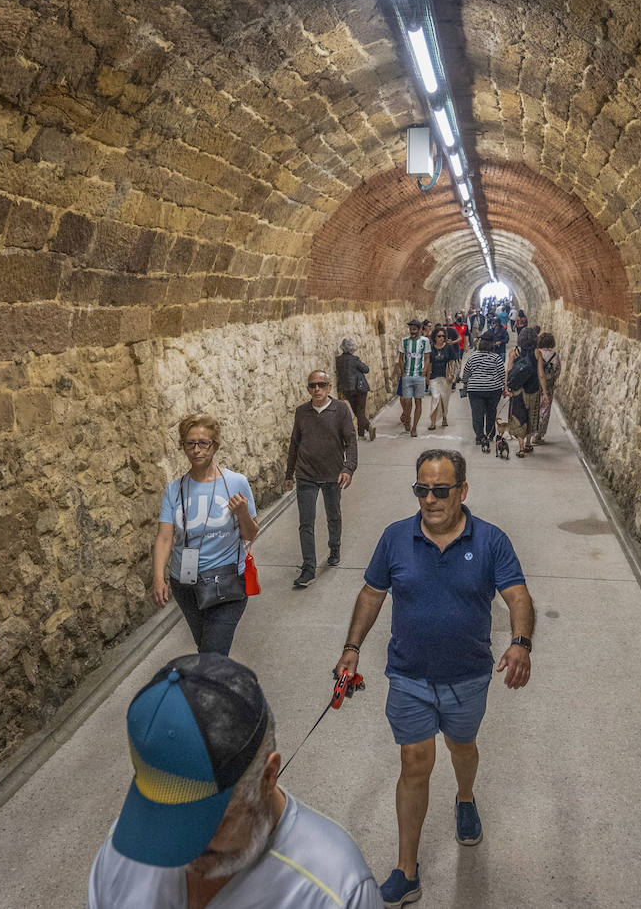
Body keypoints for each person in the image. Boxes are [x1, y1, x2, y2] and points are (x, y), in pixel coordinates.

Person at [333, 450, 534, 908]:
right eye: (422, 489)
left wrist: (520, 641)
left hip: (467, 676)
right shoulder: (395, 538)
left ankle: (465, 796)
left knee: (462, 748)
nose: (430, 499)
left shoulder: (491, 540)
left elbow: (518, 596)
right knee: (414, 762)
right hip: (408, 674)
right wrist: (351, 648)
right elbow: (371, 593)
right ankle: (407, 869)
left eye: (441, 490)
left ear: (462, 491)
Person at [88, 653, 383, 909]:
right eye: (165, 815)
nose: (182, 847)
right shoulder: (122, 849)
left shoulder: (337, 890)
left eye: (208, 819)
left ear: (268, 777)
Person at [152, 413, 259, 655]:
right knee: (207, 648)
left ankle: (214, 688)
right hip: (186, 584)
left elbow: (250, 534)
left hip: (227, 581)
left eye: (203, 443)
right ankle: (220, 685)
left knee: (212, 653)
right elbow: (164, 537)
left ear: (215, 445)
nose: (196, 450)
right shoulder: (174, 489)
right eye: (190, 444)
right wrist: (158, 578)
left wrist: (242, 512)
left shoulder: (235, 482)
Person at [285, 370, 358, 588]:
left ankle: (334, 548)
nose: (317, 389)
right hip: (306, 474)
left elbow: (351, 442)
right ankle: (308, 568)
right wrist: (289, 474)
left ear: (329, 387)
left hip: (332, 474)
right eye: (312, 385)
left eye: (321, 384)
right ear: (308, 388)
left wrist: (349, 468)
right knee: (305, 523)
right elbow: (294, 444)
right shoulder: (302, 412)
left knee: (333, 515)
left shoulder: (341, 409)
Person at [461, 335, 506, 453]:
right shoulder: (496, 358)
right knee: (491, 412)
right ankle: (490, 435)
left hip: (475, 390)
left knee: (477, 413)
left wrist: (465, 384)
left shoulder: (473, 357)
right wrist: (505, 387)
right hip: (493, 390)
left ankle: (479, 436)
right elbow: (502, 374)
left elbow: (466, 372)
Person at [506, 328, 543, 458]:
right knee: (531, 416)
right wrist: (544, 393)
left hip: (517, 391)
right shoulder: (537, 353)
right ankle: (528, 444)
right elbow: (541, 375)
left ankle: (521, 448)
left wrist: (506, 388)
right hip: (533, 390)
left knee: (519, 417)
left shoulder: (514, 353)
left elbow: (509, 371)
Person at [337, 338, 375, 441]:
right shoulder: (354, 359)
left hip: (347, 389)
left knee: (357, 412)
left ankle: (366, 430)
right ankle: (364, 431)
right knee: (361, 411)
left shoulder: (339, 360)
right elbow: (366, 369)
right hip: (360, 388)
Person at [397, 320, 430, 438]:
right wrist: (403, 372)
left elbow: (427, 358)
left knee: (418, 402)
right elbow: (400, 358)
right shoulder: (404, 341)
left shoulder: (425, 342)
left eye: (414, 329)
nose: (412, 331)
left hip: (419, 376)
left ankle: (414, 427)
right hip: (407, 376)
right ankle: (407, 416)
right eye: (411, 329)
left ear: (420, 330)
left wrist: (424, 372)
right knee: (406, 401)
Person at [426, 328, 461, 431]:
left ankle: (444, 417)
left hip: (445, 377)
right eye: (439, 336)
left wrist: (452, 373)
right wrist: (427, 378)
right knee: (435, 398)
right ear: (434, 337)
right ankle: (432, 422)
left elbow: (453, 360)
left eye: (443, 336)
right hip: (434, 377)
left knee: (444, 399)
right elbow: (429, 363)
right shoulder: (431, 348)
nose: (441, 338)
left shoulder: (449, 347)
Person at [533, 332, 562, 445]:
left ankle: (531, 433)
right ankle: (538, 436)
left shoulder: (536, 353)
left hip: (535, 385)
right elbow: (558, 371)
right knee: (544, 411)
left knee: (534, 409)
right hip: (548, 388)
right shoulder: (554, 356)